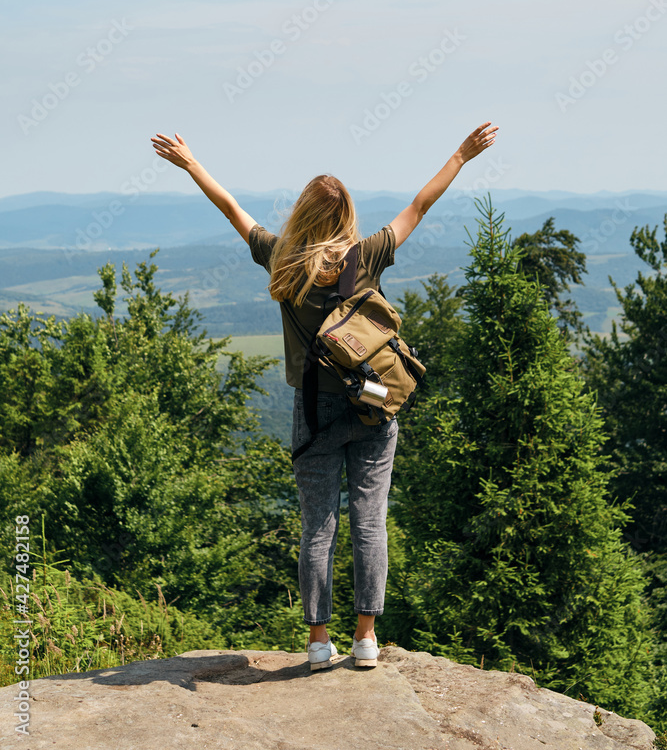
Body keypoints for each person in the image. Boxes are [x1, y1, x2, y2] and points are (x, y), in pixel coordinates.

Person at [150, 121, 498, 670]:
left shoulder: (281, 259)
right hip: (374, 400)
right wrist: (461, 154)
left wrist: (190, 163)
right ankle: (365, 640)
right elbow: (418, 207)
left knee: (318, 525)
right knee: (369, 518)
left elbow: (231, 207)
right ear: (346, 215)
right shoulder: (366, 256)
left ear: (304, 213)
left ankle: (317, 643)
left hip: (312, 411)